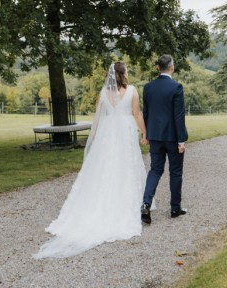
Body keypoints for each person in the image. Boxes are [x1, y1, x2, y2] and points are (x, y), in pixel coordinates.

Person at [34, 62, 148, 258]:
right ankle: (127, 202)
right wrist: (145, 132)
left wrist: (94, 138)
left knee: (105, 168)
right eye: (127, 70)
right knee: (126, 165)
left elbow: (98, 119)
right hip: (125, 130)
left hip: (108, 132)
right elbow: (136, 114)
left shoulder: (104, 93)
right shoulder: (132, 91)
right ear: (123, 74)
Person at [141, 54, 188, 224]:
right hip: (173, 138)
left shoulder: (148, 88)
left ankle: (146, 203)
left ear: (157, 68)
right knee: (175, 172)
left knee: (155, 170)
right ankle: (175, 208)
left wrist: (145, 134)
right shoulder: (176, 87)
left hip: (154, 137)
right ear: (172, 67)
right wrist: (181, 141)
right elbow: (179, 116)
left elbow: (145, 113)